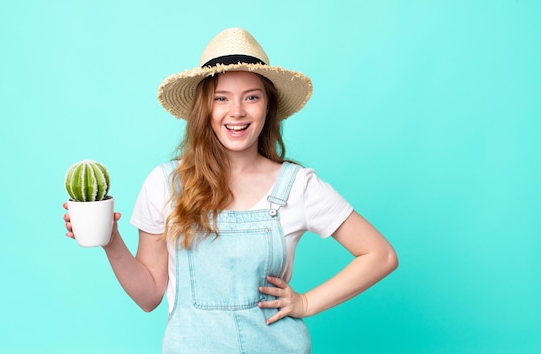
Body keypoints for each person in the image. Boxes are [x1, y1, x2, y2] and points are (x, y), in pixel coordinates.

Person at [63, 27, 398, 353]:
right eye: (221, 98)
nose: (236, 112)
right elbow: (149, 295)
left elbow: (381, 256)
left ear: (268, 107)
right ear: (204, 108)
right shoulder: (165, 184)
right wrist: (111, 241)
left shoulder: (297, 185)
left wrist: (306, 303)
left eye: (251, 97)